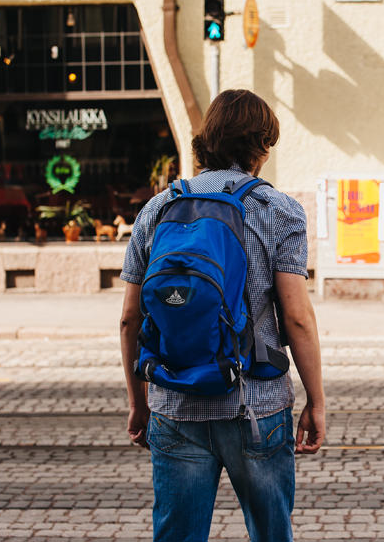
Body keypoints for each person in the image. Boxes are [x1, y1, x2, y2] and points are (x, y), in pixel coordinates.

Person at [118, 89, 326, 542]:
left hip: (174, 401)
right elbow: (297, 318)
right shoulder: (279, 210)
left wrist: (139, 402)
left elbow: (130, 319)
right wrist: (317, 399)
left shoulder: (157, 209)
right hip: (257, 405)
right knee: (272, 534)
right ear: (263, 147)